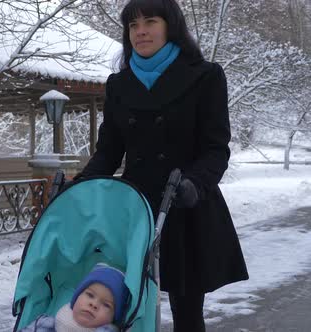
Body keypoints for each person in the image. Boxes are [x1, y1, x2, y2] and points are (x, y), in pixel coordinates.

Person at [74, 0, 249, 331]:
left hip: (185, 203)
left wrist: (194, 184)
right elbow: (108, 151)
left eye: (150, 21)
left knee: (187, 313)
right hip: (134, 208)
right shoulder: (119, 85)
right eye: (132, 25)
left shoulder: (205, 77)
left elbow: (216, 149)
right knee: (122, 303)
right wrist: (83, 185)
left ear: (171, 26)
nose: (140, 31)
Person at [19, 264, 129, 332]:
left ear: (114, 317)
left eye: (106, 304)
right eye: (90, 295)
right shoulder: (45, 323)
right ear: (76, 298)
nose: (94, 304)